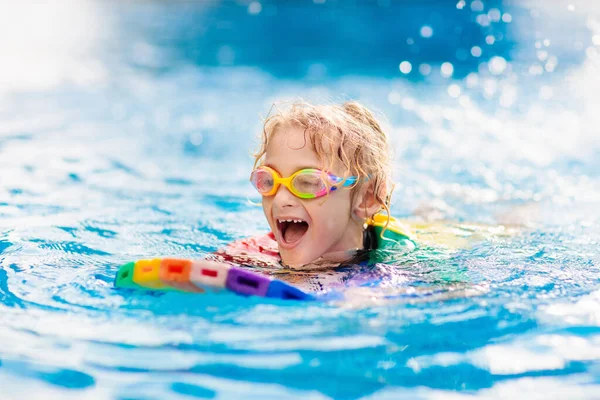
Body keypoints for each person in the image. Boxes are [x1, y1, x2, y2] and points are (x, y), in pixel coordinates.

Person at [212, 100, 415, 274]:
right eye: (269, 181)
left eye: (308, 182)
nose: (281, 199)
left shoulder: (402, 258)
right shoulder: (249, 254)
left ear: (367, 198)